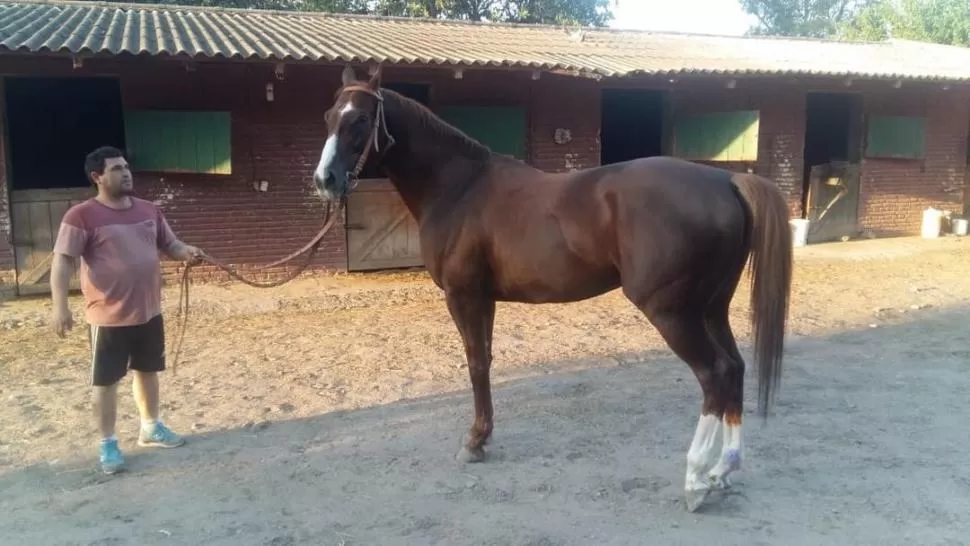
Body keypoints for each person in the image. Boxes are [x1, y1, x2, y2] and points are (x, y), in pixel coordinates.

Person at [50, 145, 205, 475]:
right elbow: (62, 261)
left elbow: (171, 245)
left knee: (148, 371)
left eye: (126, 167)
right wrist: (60, 306)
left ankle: (150, 427)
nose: (126, 172)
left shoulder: (149, 210)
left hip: (149, 311)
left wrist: (186, 251)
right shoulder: (81, 216)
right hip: (107, 316)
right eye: (117, 169)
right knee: (106, 381)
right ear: (98, 177)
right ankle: (107, 444)